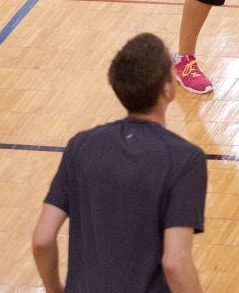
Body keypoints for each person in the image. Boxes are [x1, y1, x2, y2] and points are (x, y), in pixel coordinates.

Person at [31, 32, 207, 293]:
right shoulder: (185, 160)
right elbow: (175, 263)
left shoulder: (81, 146)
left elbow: (42, 240)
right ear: (167, 88)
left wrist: (55, 290)